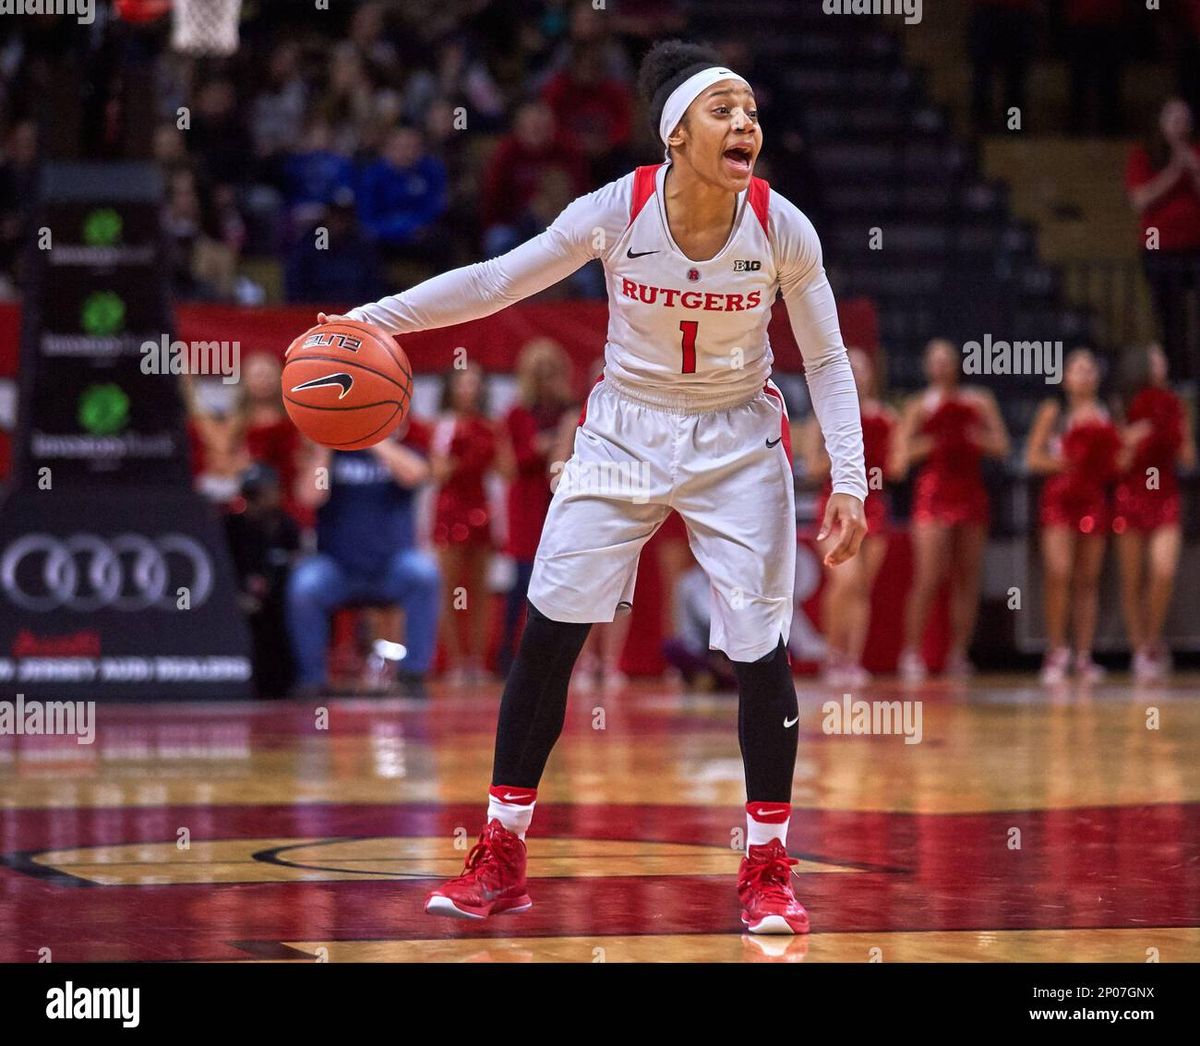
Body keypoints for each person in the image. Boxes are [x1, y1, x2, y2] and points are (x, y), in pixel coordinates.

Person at [323, 41, 867, 935]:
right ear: (676, 133)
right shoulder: (617, 209)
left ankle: (768, 866)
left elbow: (828, 359)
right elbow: (496, 284)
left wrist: (848, 477)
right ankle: (501, 852)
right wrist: (370, 321)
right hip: (623, 428)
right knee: (548, 632)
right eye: (724, 110)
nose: (746, 124)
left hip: (738, 436)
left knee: (758, 648)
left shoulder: (783, 227)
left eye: (752, 112)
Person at [287, 416, 441, 698]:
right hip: (337, 569)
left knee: (424, 574)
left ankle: (413, 674)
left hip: (390, 568)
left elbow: (416, 474)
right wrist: (326, 445)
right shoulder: (329, 453)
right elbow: (309, 497)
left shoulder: (401, 447)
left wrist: (370, 438)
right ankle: (312, 680)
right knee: (304, 585)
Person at [891, 338, 1011, 682]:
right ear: (927, 367)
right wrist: (933, 441)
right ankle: (911, 652)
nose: (942, 365)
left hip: (970, 492)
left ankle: (959, 652)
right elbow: (898, 461)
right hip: (933, 494)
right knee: (928, 576)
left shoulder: (979, 400)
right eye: (935, 360)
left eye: (947, 358)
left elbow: (1002, 445)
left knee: (967, 578)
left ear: (957, 364)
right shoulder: (917, 406)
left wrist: (970, 436)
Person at [1025, 348, 1122, 685]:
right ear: (1066, 379)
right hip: (1060, 501)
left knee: (1088, 579)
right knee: (1059, 573)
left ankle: (1083, 655)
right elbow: (1033, 458)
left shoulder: (1108, 413)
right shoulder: (1055, 412)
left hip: (1093, 501)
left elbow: (1120, 461)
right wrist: (1069, 462)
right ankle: (1056, 650)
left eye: (1089, 368)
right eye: (1077, 369)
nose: (1084, 374)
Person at [803, 347, 896, 686]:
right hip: (834, 505)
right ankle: (833, 655)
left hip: (874, 506)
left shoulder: (885, 417)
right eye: (850, 367)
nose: (856, 374)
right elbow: (812, 467)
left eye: (862, 368)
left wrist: (878, 451)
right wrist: (844, 454)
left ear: (872, 374)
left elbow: (896, 467)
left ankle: (853, 660)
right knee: (844, 580)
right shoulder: (823, 416)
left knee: (861, 588)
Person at [1112, 344, 1196, 681]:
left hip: (1165, 495)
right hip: (1131, 494)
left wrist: (1174, 433)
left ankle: (1151, 639)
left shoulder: (1177, 404)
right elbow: (1116, 462)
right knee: (1132, 578)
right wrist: (1133, 437)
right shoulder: (1122, 404)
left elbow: (1188, 456)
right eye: (1157, 358)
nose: (1164, 363)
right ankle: (1139, 650)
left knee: (1163, 571)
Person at [496, 338, 576, 677]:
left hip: (560, 504)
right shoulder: (516, 413)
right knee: (522, 583)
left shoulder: (571, 410)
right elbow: (510, 465)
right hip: (527, 507)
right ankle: (508, 657)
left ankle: (552, 658)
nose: (545, 379)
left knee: (559, 582)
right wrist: (541, 448)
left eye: (551, 371)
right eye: (539, 372)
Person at [429, 362, 497, 686]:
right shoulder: (442, 426)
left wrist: (497, 440)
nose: (469, 390)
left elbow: (506, 470)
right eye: (463, 383)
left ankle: (478, 662)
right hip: (450, 509)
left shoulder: (490, 426)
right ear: (451, 389)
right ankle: (456, 661)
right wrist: (463, 454)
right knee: (451, 589)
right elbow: (439, 472)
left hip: (481, 507)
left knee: (480, 590)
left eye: (475, 384)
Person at [1125, 99, 1200, 382]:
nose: (1179, 126)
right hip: (1158, 245)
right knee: (1169, 316)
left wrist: (1192, 167)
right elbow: (1140, 199)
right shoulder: (1144, 155)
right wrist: (1173, 172)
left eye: (1184, 120)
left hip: (1193, 246)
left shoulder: (1196, 154)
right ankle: (1174, 375)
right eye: (1173, 120)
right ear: (1161, 124)